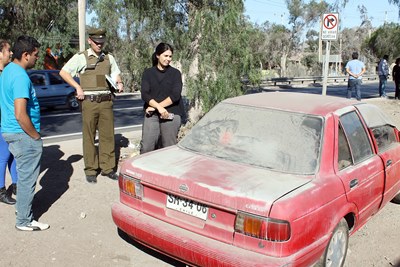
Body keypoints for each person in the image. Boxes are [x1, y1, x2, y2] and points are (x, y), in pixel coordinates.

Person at [59, 28, 123, 183]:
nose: (99, 45)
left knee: (107, 136)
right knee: (89, 136)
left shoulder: (108, 57)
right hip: (89, 102)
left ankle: (108, 168)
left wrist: (119, 82)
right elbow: (64, 72)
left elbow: (116, 73)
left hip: (106, 101)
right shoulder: (81, 57)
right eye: (96, 42)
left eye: (101, 42)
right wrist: (77, 87)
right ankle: (91, 170)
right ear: (89, 41)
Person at [0, 35, 49, 231]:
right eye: (35, 55)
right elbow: (20, 114)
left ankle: (22, 211)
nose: (37, 58)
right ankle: (24, 220)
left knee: (23, 176)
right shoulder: (20, 76)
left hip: (10, 131)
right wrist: (35, 136)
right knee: (27, 179)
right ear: (25, 55)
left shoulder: (8, 70)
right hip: (23, 134)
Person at [140, 42, 184, 154]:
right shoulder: (148, 73)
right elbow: (145, 94)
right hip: (152, 114)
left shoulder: (175, 73)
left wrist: (156, 107)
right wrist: (158, 108)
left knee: (168, 148)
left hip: (171, 113)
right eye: (165, 56)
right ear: (157, 55)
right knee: (147, 147)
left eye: (170, 56)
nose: (168, 59)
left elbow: (175, 95)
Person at [0, 39, 17, 205]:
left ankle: (17, 184)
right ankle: (1, 191)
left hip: (6, 121)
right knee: (3, 157)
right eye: (8, 50)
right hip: (2, 121)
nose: (11, 53)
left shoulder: (5, 72)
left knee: (11, 155)